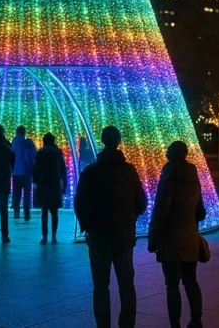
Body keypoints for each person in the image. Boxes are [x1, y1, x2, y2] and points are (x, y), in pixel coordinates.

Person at [74, 126, 147, 328]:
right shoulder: (130, 171)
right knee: (126, 285)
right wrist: (129, 218)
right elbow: (142, 202)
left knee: (100, 286)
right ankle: (127, 324)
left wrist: (88, 226)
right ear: (119, 141)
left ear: (103, 141)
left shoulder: (91, 171)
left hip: (99, 237)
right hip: (124, 236)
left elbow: (80, 203)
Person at [148, 141, 206, 328]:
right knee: (191, 281)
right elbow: (201, 211)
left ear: (170, 154)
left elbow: (161, 209)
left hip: (171, 239)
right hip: (190, 237)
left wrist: (153, 237)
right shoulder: (193, 174)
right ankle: (196, 321)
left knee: (172, 285)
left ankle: (175, 325)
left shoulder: (169, 173)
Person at [32, 132, 67, 244]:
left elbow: (36, 169)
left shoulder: (40, 152)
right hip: (55, 183)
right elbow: (62, 169)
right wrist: (64, 184)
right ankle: (54, 235)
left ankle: (44, 236)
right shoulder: (57, 152)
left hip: (43, 184)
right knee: (54, 212)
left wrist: (35, 182)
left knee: (44, 211)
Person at [11, 126, 37, 221]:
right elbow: (33, 155)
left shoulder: (13, 142)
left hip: (16, 172)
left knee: (16, 192)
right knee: (27, 194)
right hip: (26, 171)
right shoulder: (27, 142)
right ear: (24, 132)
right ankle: (27, 213)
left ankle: (16, 211)